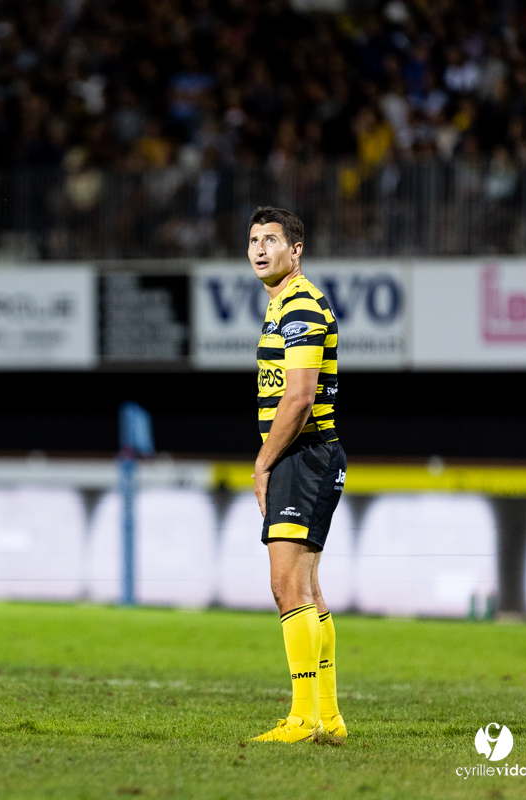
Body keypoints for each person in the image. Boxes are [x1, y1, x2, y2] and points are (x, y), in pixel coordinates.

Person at [246, 206, 347, 743]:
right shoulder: (283, 303)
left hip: (303, 456)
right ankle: (327, 717)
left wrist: (264, 461)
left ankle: (303, 718)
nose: (260, 249)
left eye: (271, 239)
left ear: (296, 249)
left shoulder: (302, 304)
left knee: (286, 586)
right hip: (308, 456)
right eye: (253, 240)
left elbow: (300, 397)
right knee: (306, 588)